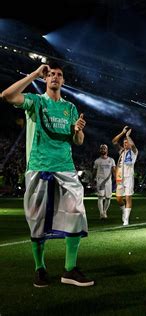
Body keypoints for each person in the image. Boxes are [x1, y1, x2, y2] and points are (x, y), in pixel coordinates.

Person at [1, 62, 94, 287]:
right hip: (38, 166)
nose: (54, 77)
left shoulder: (70, 108)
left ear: (63, 81)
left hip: (66, 167)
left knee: (76, 212)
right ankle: (40, 268)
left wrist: (78, 130)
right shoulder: (36, 101)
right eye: (50, 74)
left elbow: (78, 141)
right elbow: (6, 95)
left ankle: (70, 269)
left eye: (59, 75)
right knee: (37, 220)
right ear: (45, 78)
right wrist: (34, 73)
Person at [112, 126, 138, 226]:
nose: (125, 144)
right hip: (119, 177)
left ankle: (126, 219)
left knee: (128, 197)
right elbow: (114, 141)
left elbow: (133, 146)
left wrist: (128, 136)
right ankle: (123, 210)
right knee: (118, 198)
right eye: (124, 142)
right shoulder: (122, 151)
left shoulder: (134, 151)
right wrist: (122, 133)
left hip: (129, 177)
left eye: (127, 142)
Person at [92, 144, 116, 219]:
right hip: (100, 181)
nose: (103, 150)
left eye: (104, 148)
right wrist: (92, 179)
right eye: (101, 149)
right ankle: (101, 213)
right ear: (100, 150)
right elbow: (94, 171)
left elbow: (114, 171)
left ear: (107, 150)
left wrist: (117, 179)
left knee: (108, 197)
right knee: (100, 197)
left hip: (108, 181)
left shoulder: (111, 160)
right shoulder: (97, 161)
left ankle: (105, 211)